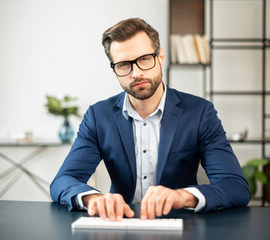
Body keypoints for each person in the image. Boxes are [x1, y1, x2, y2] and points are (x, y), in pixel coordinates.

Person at [50, 18, 250, 221]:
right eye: (124, 65)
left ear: (160, 57)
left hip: (181, 226)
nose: (136, 73)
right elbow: (63, 181)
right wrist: (93, 199)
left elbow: (235, 186)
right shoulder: (98, 116)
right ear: (114, 70)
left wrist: (183, 196)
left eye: (144, 59)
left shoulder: (199, 113)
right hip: (120, 225)